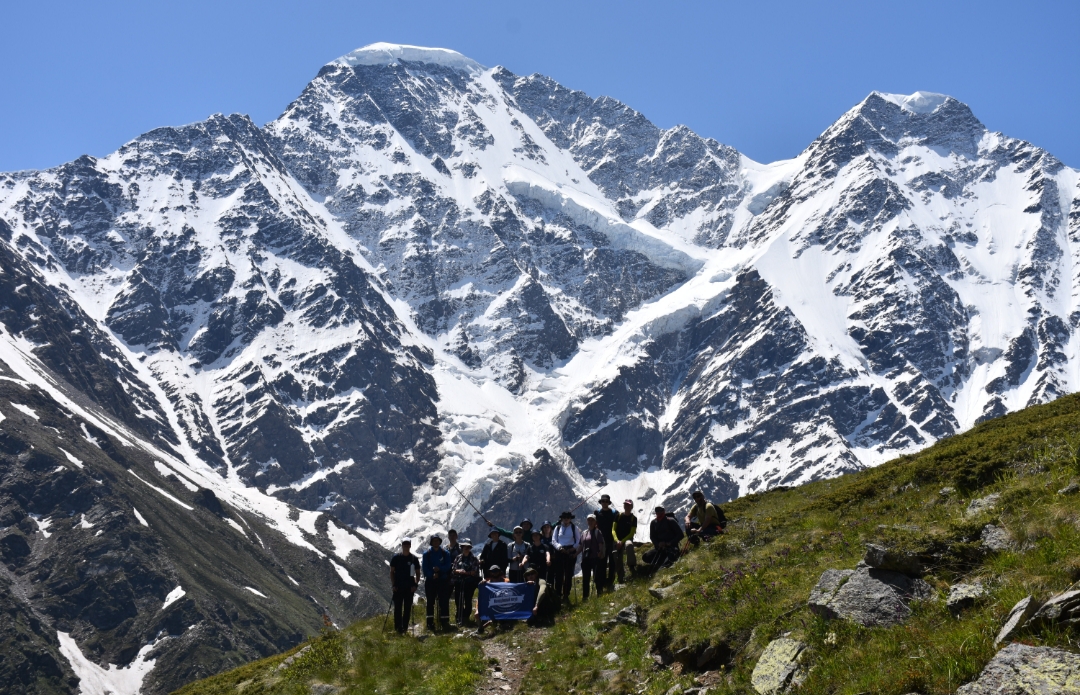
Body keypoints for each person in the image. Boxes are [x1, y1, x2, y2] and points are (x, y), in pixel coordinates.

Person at [421, 534, 453, 630]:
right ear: (431, 542)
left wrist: (439, 570)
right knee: (430, 602)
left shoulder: (445, 553)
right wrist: (432, 574)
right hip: (430, 581)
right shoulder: (426, 554)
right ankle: (430, 623)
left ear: (440, 542)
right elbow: (424, 568)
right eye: (434, 541)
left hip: (442, 580)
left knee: (444, 601)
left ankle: (445, 622)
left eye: (437, 540)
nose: (435, 542)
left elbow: (448, 566)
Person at [389, 538, 420, 634]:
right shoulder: (396, 558)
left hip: (409, 588)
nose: (406, 545)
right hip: (398, 587)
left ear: (410, 545)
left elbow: (418, 573)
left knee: (407, 609)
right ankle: (398, 628)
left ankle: (405, 628)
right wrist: (393, 585)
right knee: (397, 609)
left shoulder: (414, 559)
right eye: (404, 544)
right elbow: (392, 572)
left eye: (408, 544)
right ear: (402, 545)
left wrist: (415, 584)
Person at [551, 511, 580, 601]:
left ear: (570, 519)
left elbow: (578, 540)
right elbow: (553, 540)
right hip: (560, 551)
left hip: (570, 552)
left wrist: (573, 548)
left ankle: (566, 595)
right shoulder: (557, 527)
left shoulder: (574, 527)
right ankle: (558, 594)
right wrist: (559, 548)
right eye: (564, 518)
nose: (566, 519)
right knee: (559, 574)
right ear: (562, 519)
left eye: (568, 517)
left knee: (568, 574)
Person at [451, 538, 480, 626]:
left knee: (467, 600)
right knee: (458, 600)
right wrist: (459, 571)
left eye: (468, 547)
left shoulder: (474, 559)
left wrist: (466, 573)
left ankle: (465, 617)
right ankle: (459, 617)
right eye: (464, 547)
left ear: (470, 548)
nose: (466, 549)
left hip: (469, 583)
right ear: (462, 547)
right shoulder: (458, 557)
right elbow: (454, 569)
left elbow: (474, 571)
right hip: (459, 582)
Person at [476, 565, 510, 634]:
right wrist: (477, 609)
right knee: (477, 614)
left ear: (499, 572)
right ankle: (480, 629)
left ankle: (501, 623)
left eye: (496, 571)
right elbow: (480, 597)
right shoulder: (486, 583)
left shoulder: (506, 581)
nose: (495, 573)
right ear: (490, 572)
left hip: (502, 605)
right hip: (491, 606)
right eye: (493, 571)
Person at [579, 514, 606, 600]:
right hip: (586, 558)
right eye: (589, 520)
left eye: (592, 520)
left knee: (597, 576)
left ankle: (599, 593)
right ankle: (585, 597)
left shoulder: (597, 532)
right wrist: (575, 554)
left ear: (595, 522)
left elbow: (600, 544)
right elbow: (581, 546)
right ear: (587, 521)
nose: (590, 522)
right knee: (585, 578)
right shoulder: (584, 533)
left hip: (595, 557)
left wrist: (600, 552)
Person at [593, 494, 618, 588]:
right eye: (603, 501)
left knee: (612, 562)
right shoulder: (597, 513)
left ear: (608, 502)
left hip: (611, 541)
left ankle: (610, 581)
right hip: (601, 542)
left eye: (606, 501)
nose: (605, 503)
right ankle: (602, 582)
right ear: (601, 502)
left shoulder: (614, 513)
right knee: (602, 562)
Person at [612, 499, 638, 583]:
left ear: (631, 507)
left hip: (627, 539)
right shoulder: (618, 516)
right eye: (625, 505)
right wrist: (617, 540)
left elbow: (631, 533)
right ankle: (620, 577)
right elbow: (613, 530)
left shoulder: (633, 518)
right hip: (617, 540)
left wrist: (622, 541)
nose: (627, 506)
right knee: (616, 556)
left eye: (628, 505)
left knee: (629, 545)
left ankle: (631, 566)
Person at [540, 521, 557, 585]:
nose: (546, 528)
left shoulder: (554, 538)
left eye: (548, 527)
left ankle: (552, 591)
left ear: (550, 528)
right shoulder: (540, 539)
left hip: (553, 561)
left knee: (552, 576)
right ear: (542, 529)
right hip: (543, 561)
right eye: (544, 527)